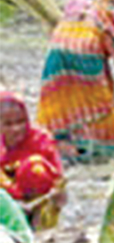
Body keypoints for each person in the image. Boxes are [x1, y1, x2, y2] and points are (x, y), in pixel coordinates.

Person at [36, 0, 114, 164]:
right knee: (97, 102)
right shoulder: (112, 15)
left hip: (57, 52)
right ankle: (109, 147)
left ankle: (62, 145)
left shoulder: (79, 5)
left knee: (62, 98)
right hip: (85, 52)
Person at [0, 91, 66, 229]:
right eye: (8, 124)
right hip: (7, 203)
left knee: (33, 166)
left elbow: (58, 179)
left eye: (21, 122)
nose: (16, 129)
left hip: (39, 201)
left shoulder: (41, 141)